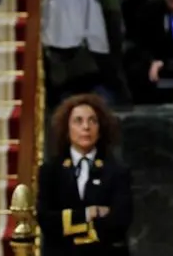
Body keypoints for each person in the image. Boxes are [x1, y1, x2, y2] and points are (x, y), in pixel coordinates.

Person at [37, 94, 132, 256]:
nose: (86, 127)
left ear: (100, 129)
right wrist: (90, 213)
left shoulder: (116, 170)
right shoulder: (50, 170)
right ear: (67, 129)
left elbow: (120, 221)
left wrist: (69, 223)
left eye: (92, 121)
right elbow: (46, 220)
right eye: (78, 121)